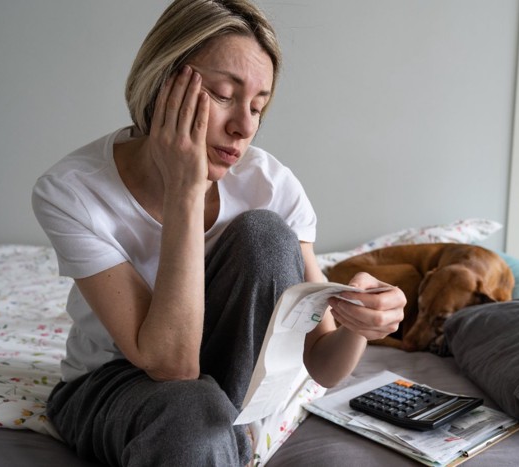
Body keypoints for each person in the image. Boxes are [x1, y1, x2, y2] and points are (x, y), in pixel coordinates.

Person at [32, 0, 406, 465]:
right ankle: (227, 435)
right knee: (192, 415)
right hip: (113, 381)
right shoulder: (72, 191)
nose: (244, 127)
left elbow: (325, 366)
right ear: (162, 86)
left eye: (257, 106)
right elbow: (172, 366)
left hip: (233, 389)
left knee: (264, 236)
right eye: (224, 95)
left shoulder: (271, 186)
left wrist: (362, 322)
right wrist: (185, 191)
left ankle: (226, 431)